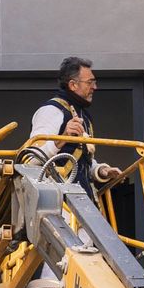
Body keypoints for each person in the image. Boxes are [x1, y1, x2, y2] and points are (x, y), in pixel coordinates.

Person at [26, 56, 120, 196]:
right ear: (73, 85)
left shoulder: (84, 116)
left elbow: (81, 160)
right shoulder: (52, 110)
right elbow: (30, 159)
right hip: (59, 204)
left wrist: (100, 170)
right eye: (90, 82)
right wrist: (61, 138)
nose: (95, 87)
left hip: (81, 200)